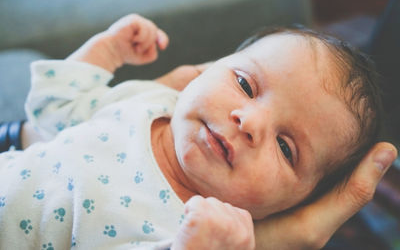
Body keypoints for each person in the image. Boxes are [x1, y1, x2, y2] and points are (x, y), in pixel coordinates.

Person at [0, 14, 397, 249]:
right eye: (245, 84)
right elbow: (53, 111)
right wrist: (106, 52)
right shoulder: (152, 101)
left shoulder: (204, 230)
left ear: (292, 205)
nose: (250, 122)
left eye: (285, 146)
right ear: (210, 68)